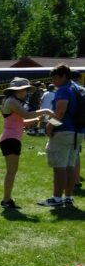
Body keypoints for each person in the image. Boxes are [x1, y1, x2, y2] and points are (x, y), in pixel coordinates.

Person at [0, 77, 51, 209]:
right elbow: (26, 115)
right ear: (14, 91)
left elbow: (22, 122)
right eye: (22, 90)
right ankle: (6, 200)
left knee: (12, 170)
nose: (25, 93)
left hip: (11, 139)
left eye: (26, 90)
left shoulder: (13, 101)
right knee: (11, 171)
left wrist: (38, 118)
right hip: (10, 139)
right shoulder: (12, 101)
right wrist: (45, 111)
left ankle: (7, 199)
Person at [38, 63, 82, 207]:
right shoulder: (80, 89)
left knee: (59, 166)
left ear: (63, 76)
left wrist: (49, 126)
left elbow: (60, 112)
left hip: (64, 131)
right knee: (69, 165)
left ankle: (56, 198)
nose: (53, 82)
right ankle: (68, 197)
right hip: (78, 132)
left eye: (56, 78)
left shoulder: (63, 90)